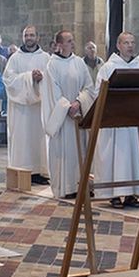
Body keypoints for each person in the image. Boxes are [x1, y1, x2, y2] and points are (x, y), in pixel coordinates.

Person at [94, 32, 139, 209]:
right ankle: (114, 194)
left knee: (133, 157)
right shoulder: (108, 68)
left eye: (132, 42)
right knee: (115, 158)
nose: (130, 46)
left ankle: (131, 194)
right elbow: (98, 93)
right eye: (126, 43)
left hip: (133, 121)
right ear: (118, 45)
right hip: (114, 122)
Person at [41, 31, 94, 200]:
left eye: (73, 40)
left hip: (79, 115)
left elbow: (89, 87)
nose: (73, 43)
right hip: (62, 120)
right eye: (69, 41)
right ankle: (65, 187)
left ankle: (81, 185)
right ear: (59, 44)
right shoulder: (52, 65)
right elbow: (51, 92)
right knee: (63, 152)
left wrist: (79, 102)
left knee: (80, 152)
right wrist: (66, 107)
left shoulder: (79, 62)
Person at [2, 25, 51, 185]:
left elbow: (52, 78)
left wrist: (41, 77)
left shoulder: (45, 58)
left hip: (39, 108)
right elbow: (8, 80)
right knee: (22, 139)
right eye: (26, 35)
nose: (29, 38)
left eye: (31, 35)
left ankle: (40, 171)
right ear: (23, 38)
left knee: (39, 138)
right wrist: (30, 77)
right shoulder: (15, 58)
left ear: (37, 37)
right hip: (21, 109)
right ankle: (23, 171)